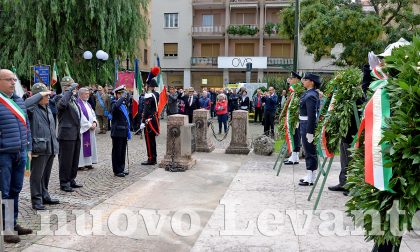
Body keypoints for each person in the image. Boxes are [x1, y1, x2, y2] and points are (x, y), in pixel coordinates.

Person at [0, 69, 34, 243]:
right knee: (4, 192)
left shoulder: (19, 101)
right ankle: (6, 229)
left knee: (15, 189)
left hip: (20, 153)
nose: (13, 82)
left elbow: (26, 126)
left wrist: (28, 147)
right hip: (4, 155)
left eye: (14, 79)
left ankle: (12, 224)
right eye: (9, 80)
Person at [26, 83, 60, 210]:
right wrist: (39, 95)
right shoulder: (32, 109)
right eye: (46, 95)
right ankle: (36, 200)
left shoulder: (47, 107)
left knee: (46, 175)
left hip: (50, 146)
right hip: (39, 147)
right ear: (38, 96)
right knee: (36, 176)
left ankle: (45, 195)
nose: (49, 97)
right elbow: (26, 103)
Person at [55, 76, 83, 192]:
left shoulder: (73, 100)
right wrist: (69, 91)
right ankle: (64, 182)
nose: (74, 89)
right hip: (66, 134)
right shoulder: (59, 98)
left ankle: (71, 179)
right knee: (65, 160)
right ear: (65, 88)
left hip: (75, 133)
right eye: (70, 87)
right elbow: (61, 105)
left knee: (74, 158)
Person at [298, 73, 321, 186]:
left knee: (310, 151)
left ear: (312, 82)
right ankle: (309, 174)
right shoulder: (309, 93)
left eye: (305, 79)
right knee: (307, 150)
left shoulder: (311, 95)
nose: (303, 81)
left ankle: (311, 177)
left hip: (308, 124)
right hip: (304, 123)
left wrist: (310, 131)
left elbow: (312, 115)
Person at [110, 85, 131, 177]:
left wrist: (127, 95)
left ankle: (121, 168)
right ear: (117, 94)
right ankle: (117, 170)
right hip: (117, 132)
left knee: (122, 151)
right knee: (117, 152)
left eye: (123, 93)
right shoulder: (114, 103)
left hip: (124, 131)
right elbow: (115, 106)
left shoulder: (123, 105)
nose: (123, 95)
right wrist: (122, 97)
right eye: (120, 94)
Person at [141, 69, 160, 165]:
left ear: (150, 86)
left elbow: (148, 110)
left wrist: (144, 121)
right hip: (150, 120)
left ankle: (151, 159)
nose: (145, 87)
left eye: (146, 85)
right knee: (151, 140)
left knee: (149, 140)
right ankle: (153, 158)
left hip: (150, 121)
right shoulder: (151, 95)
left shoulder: (152, 95)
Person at [77, 88, 98, 170]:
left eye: (88, 93)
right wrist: (89, 125)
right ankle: (81, 164)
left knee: (90, 145)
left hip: (90, 129)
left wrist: (94, 122)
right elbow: (81, 117)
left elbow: (93, 114)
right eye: (86, 93)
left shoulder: (88, 104)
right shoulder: (78, 104)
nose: (88, 95)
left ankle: (89, 162)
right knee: (83, 147)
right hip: (84, 130)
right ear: (81, 94)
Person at [284, 71, 303, 165]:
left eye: (291, 78)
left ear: (296, 80)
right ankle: (294, 156)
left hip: (297, 117)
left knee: (296, 136)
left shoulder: (299, 90)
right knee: (294, 135)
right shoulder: (294, 90)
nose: (290, 80)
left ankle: (295, 157)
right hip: (293, 117)